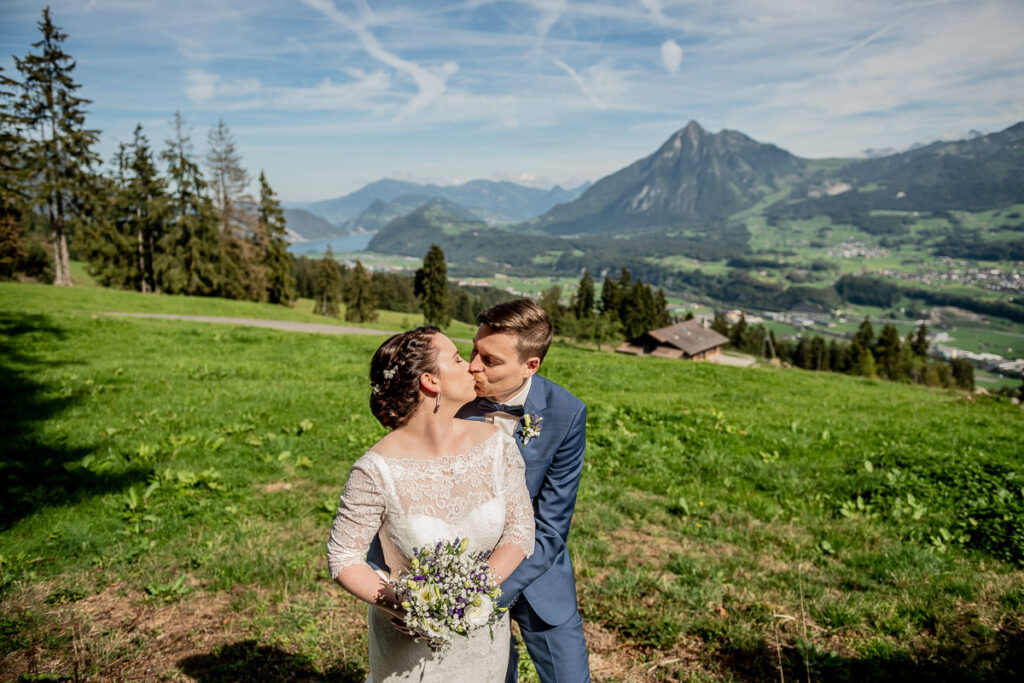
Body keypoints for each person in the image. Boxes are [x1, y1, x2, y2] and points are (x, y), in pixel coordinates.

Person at [326, 326, 535, 682]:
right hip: (410, 646)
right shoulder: (375, 471)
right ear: (430, 382)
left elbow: (520, 529)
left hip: (482, 642)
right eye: (456, 358)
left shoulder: (497, 445)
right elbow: (343, 557)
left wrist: (472, 596)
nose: (471, 367)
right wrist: (409, 606)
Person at [456, 300, 590, 683]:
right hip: (461, 571)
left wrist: (490, 588)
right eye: (474, 350)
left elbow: (551, 526)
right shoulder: (454, 402)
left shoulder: (566, 413)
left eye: (490, 360)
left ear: (530, 365)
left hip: (538, 575)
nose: (473, 366)